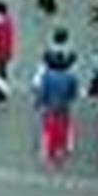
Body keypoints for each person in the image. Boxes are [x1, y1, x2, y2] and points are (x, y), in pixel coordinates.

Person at [34, 35, 80, 166]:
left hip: (50, 105)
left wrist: (39, 102)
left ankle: (49, 150)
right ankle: (63, 147)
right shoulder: (70, 76)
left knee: (48, 127)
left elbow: (43, 91)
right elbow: (73, 91)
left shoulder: (47, 75)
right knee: (64, 126)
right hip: (64, 105)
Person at [0, 0, 16, 77]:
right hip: (3, 49)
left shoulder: (0, 22)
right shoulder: (7, 21)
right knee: (1, 65)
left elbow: (1, 38)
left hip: (0, 49)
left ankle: (1, 77)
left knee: (1, 65)